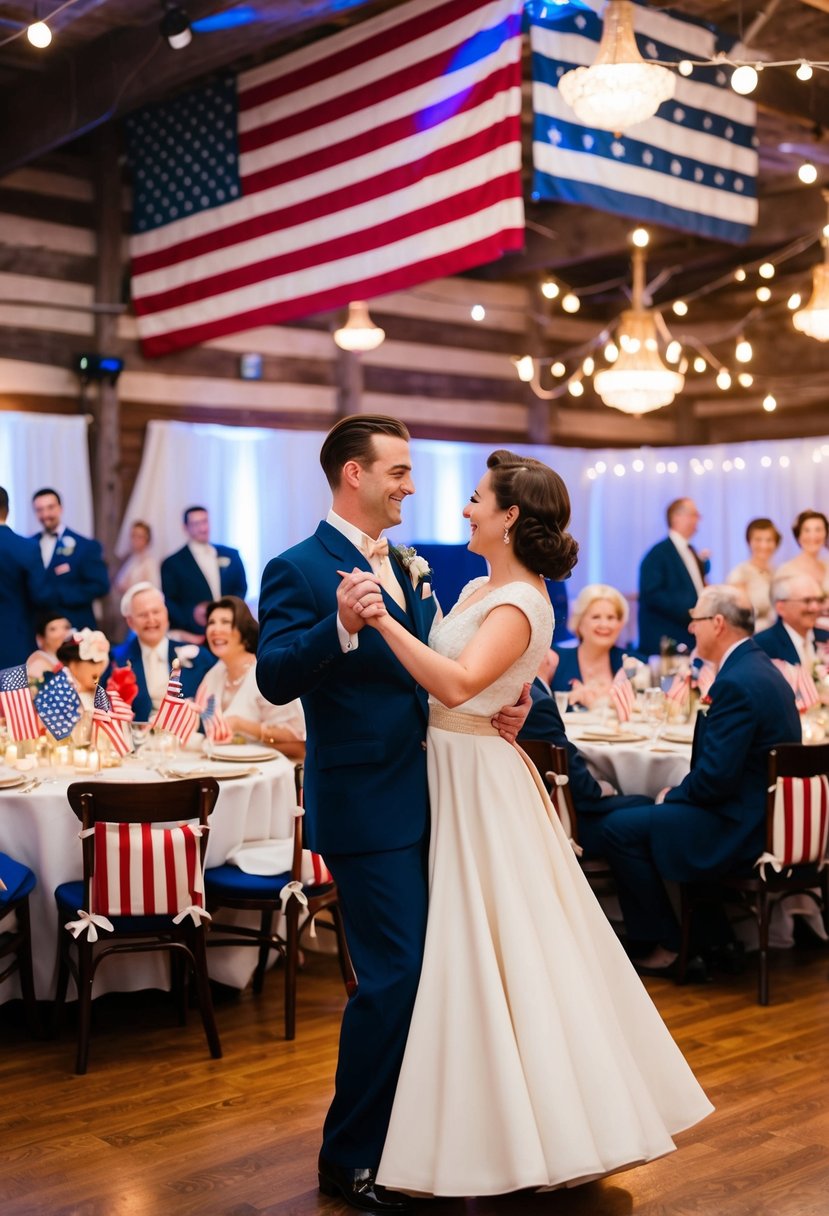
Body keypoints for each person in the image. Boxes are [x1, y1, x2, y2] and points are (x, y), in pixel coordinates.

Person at [340, 448, 711, 1199]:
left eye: (477, 499)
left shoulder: (521, 604)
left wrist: (380, 619)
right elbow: (489, 682)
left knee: (496, 950)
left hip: (475, 778)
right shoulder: (485, 585)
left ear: (509, 516)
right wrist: (514, 702)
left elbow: (453, 680)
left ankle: (523, 1131)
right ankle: (474, 1120)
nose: (465, 508)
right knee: (472, 952)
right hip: (454, 762)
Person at [256, 415, 531, 1214]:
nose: (412, 486)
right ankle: (348, 1157)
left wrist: (501, 711)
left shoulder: (412, 565)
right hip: (367, 805)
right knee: (395, 976)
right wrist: (337, 624)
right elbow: (275, 676)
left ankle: (422, 1138)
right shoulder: (297, 568)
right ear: (354, 475)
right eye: (399, 471)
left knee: (435, 972)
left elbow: (444, 666)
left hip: (437, 796)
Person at [599, 585, 802, 978]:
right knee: (642, 812)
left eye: (695, 620)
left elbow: (715, 782)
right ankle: (711, 936)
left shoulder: (737, 681)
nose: (690, 629)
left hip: (741, 825)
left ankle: (666, 944)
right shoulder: (758, 668)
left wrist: (671, 795)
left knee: (619, 828)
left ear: (718, 624)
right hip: (763, 815)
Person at [520, 652, 654, 860]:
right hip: (563, 824)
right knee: (647, 803)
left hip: (529, 811)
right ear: (543, 655)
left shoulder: (519, 693)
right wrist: (604, 788)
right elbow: (580, 789)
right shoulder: (537, 704)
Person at [195, 596, 305, 758]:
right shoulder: (214, 674)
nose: (216, 629)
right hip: (223, 765)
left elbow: (299, 742)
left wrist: (242, 725)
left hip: (271, 770)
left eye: (225, 622)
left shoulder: (265, 673)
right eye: (211, 622)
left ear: (244, 632)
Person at [113, 583, 215, 721]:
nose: (151, 620)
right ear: (130, 622)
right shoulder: (116, 659)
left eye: (156, 612)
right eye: (143, 615)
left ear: (166, 613)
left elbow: (213, 707)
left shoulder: (198, 656)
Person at [30, 487, 110, 631]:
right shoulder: (29, 545)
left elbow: (100, 585)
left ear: (60, 508)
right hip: (39, 628)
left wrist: (61, 595)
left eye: (50, 508)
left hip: (75, 625)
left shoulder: (85, 546)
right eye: (39, 510)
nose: (45, 514)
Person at [161, 506, 247, 636]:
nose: (202, 528)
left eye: (205, 521)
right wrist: (193, 619)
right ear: (186, 527)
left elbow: (240, 588)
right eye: (196, 524)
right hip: (194, 634)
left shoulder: (231, 554)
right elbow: (171, 602)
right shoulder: (172, 563)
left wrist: (229, 614)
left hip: (231, 627)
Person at [638, 497, 708, 656]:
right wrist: (692, 612)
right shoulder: (658, 554)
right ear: (676, 517)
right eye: (694, 515)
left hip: (689, 637)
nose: (697, 520)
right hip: (668, 641)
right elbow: (653, 594)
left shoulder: (691, 551)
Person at [552, 583, 629, 709]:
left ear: (620, 624)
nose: (604, 624)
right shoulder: (555, 660)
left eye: (611, 617)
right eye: (596, 617)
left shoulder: (632, 663)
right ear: (579, 622)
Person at [0, 486, 50, 668]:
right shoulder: (26, 547)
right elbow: (41, 596)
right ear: (8, 509)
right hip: (16, 638)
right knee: (14, 695)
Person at [753, 573, 824, 669]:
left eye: (819, 600)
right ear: (781, 608)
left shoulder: (825, 637)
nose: (815, 608)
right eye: (807, 601)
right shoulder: (763, 645)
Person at [726, 517, 781, 632]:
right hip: (753, 636)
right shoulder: (740, 574)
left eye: (769, 540)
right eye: (758, 540)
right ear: (749, 541)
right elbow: (738, 617)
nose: (764, 545)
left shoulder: (777, 572)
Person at [776, 508, 829, 595]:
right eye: (807, 530)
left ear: (826, 534)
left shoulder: (827, 567)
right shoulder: (786, 571)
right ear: (798, 536)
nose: (813, 536)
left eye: (818, 530)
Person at [113, 520, 161, 599]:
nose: (135, 540)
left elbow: (154, 588)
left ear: (147, 539)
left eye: (139, 537)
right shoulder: (131, 559)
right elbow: (119, 583)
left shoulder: (149, 562)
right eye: (133, 535)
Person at [27, 611, 73, 681]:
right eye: (53, 629)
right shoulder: (38, 663)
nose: (62, 633)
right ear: (40, 639)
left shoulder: (72, 659)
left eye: (66, 627)